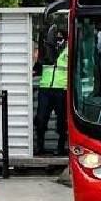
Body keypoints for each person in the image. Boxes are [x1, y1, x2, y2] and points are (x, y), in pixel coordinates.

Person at [35, 26, 68, 156]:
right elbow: (38, 64)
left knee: (62, 120)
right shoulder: (47, 48)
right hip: (45, 88)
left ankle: (60, 148)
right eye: (56, 37)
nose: (58, 39)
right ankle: (40, 147)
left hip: (61, 88)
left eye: (60, 37)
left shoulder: (69, 48)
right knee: (40, 119)